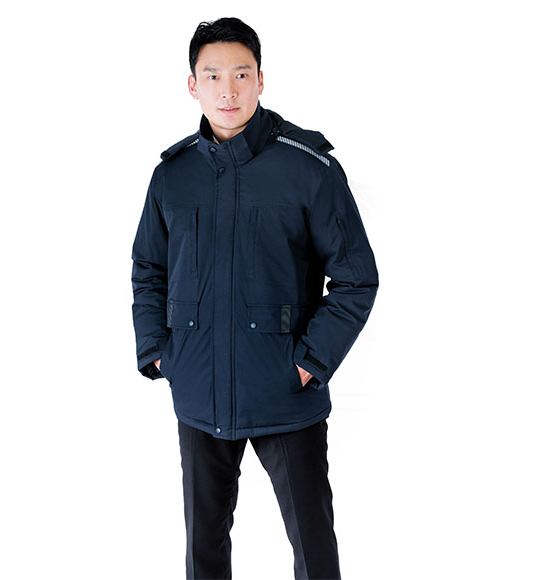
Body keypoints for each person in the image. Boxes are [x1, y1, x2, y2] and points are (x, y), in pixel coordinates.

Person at [131, 16, 379, 580]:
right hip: (198, 392)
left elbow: (356, 279)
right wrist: (161, 353)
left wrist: (308, 363)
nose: (228, 90)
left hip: (285, 394)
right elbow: (149, 268)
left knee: (314, 549)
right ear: (192, 84)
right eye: (213, 75)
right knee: (204, 550)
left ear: (261, 80)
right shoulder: (172, 176)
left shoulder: (309, 168)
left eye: (241, 74)